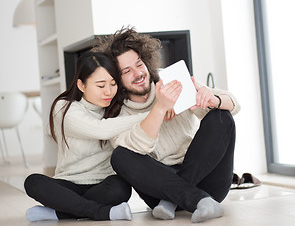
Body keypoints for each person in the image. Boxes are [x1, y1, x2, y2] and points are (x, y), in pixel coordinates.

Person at [97, 27, 241, 223]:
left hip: (205, 183)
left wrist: (213, 99)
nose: (138, 74)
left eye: (139, 65)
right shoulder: (115, 113)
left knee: (221, 117)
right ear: (117, 80)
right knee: (121, 156)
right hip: (159, 189)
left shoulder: (171, 79)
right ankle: (194, 199)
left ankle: (175, 201)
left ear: (146, 62)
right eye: (127, 71)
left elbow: (234, 105)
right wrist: (160, 109)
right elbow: (136, 150)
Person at [24, 51, 154, 221]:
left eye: (113, 84)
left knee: (121, 188)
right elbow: (101, 129)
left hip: (104, 183)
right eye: (100, 86)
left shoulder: (119, 109)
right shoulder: (64, 109)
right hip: (68, 183)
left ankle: (59, 213)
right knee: (33, 182)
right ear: (81, 85)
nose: (108, 92)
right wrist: (154, 114)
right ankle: (101, 212)